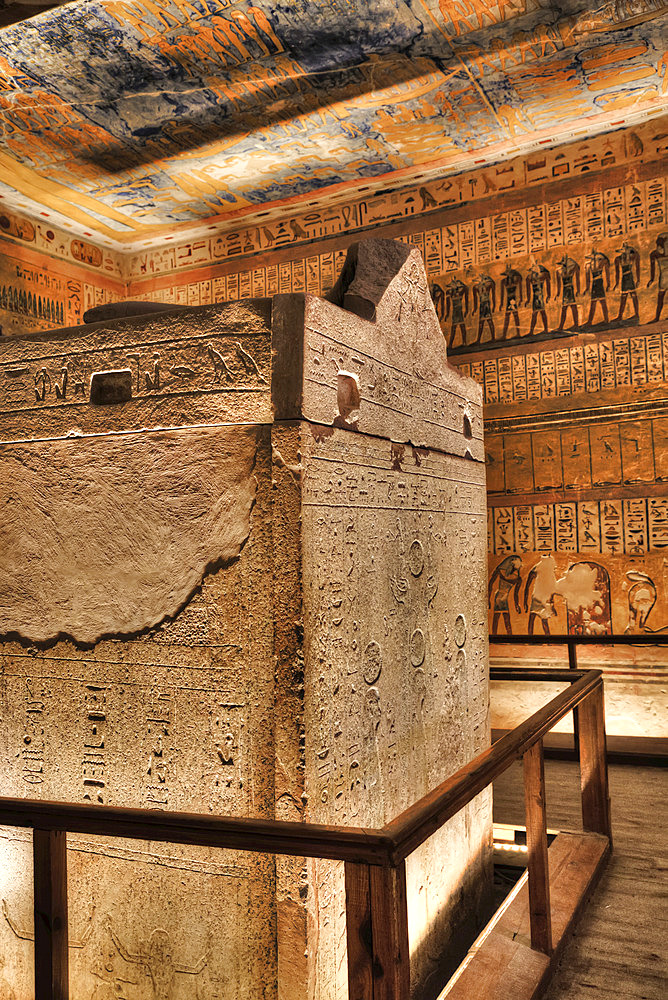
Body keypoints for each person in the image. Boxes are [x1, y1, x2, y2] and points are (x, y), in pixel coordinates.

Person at [488, 554, 522, 634]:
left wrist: (488, 598)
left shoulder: (500, 572)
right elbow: (515, 594)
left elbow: (490, 584)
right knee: (505, 618)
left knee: (498, 618)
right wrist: (516, 605)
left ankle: (495, 636)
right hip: (503, 598)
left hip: (499, 597)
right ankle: (507, 636)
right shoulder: (517, 579)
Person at [614, 242, 640, 320]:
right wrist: (617, 283)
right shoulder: (618, 259)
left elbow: (637, 267)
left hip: (629, 276)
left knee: (633, 295)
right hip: (624, 278)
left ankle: (636, 314)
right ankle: (620, 316)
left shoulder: (632, 258)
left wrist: (638, 279)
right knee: (624, 297)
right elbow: (617, 272)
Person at [525, 258, 551, 336]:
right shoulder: (529, 277)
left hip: (539, 297)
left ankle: (544, 329)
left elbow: (548, 284)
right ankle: (533, 331)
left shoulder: (542, 275)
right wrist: (528, 300)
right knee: (536, 313)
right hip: (536, 297)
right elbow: (528, 290)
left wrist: (548, 295)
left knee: (539, 313)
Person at [585, 248, 610, 325]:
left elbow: (607, 269)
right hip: (594, 283)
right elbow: (588, 278)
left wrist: (608, 284)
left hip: (599, 282)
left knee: (602, 301)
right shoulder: (589, 265)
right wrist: (587, 288)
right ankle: (590, 321)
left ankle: (606, 319)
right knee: (593, 302)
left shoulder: (600, 262)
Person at [647, 233, 668, 322]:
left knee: (660, 298)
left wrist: (652, 279)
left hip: (663, 278)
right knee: (660, 298)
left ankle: (657, 318)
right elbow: (653, 267)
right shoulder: (654, 254)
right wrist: (651, 279)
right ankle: (657, 318)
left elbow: (653, 268)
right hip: (663, 278)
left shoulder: (654, 253)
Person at [556, 254, 580, 330]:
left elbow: (576, 267)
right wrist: (558, 293)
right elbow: (559, 284)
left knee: (573, 307)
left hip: (570, 289)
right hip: (566, 290)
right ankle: (561, 326)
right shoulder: (559, 271)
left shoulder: (571, 269)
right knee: (564, 308)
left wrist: (578, 290)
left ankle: (576, 324)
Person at [473, 272, 496, 342]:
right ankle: (479, 339)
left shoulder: (488, 285)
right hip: (482, 305)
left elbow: (493, 285)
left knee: (489, 320)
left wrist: (494, 305)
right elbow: (475, 299)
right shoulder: (477, 287)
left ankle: (493, 338)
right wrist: (475, 308)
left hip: (486, 304)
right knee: (481, 322)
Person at [500, 265, 522, 338]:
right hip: (508, 300)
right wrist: (501, 304)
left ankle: (518, 333)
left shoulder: (515, 280)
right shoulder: (503, 281)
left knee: (515, 316)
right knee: (507, 317)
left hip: (513, 300)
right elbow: (502, 293)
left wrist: (521, 299)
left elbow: (520, 288)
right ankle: (504, 335)